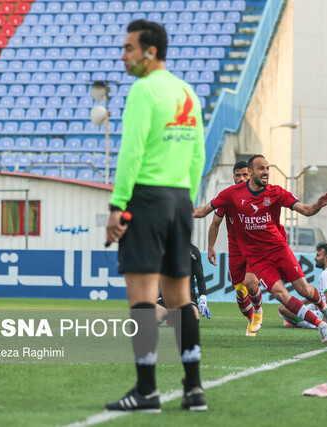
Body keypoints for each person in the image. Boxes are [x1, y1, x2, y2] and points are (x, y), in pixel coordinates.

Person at [104, 20, 206, 413]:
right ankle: (194, 389)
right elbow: (197, 154)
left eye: (129, 48)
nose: (124, 55)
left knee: (142, 296)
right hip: (180, 198)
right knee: (181, 299)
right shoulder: (186, 91)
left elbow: (131, 153)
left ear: (150, 51)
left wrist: (118, 206)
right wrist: (185, 195)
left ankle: (146, 391)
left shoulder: (143, 90)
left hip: (146, 198)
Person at [194, 155, 327, 342]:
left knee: (304, 290)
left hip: (279, 249)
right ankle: (322, 325)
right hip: (257, 258)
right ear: (251, 172)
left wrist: (318, 205)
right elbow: (203, 211)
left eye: (267, 169)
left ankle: (326, 310)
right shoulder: (231, 194)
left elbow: (306, 210)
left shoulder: (276, 192)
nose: (266, 172)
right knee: (280, 295)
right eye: (261, 169)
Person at [206, 161, 263, 337]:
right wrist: (210, 247)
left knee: (251, 283)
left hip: (255, 247)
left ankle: (258, 311)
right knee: (240, 291)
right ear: (233, 176)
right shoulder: (228, 197)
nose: (241, 178)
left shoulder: (259, 194)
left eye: (245, 175)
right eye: (237, 175)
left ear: (251, 175)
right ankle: (250, 320)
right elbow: (215, 224)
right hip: (235, 249)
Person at [279, 243, 327, 329]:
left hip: (324, 316)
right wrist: (303, 302)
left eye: (318, 256)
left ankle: (298, 323)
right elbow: (326, 296)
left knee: (283, 308)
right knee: (296, 306)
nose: (315, 258)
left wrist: (326, 325)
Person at [156, 244, 210, 323]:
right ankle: (169, 314)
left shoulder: (193, 251)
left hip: (187, 295)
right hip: (166, 294)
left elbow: (200, 277)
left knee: (192, 321)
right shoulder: (162, 248)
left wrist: (203, 298)